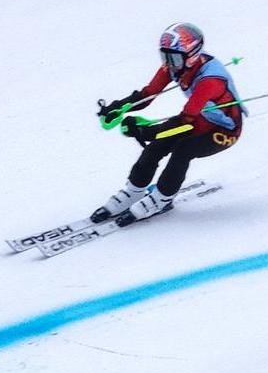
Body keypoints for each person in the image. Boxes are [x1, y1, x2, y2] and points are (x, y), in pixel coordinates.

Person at [92, 23, 246, 225]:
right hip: (199, 118)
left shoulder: (209, 81)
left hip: (224, 130)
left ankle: (163, 198)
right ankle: (134, 191)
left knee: (183, 150)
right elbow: (148, 94)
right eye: (164, 56)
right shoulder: (175, 66)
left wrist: (148, 131)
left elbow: (186, 120)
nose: (168, 64)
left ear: (192, 55)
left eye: (173, 58)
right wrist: (117, 107)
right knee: (155, 147)